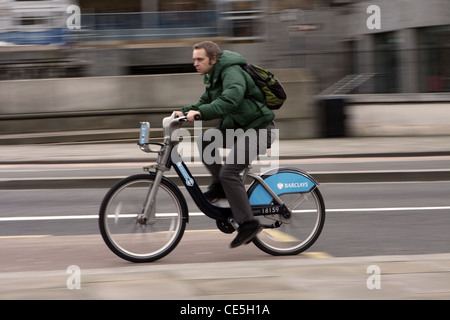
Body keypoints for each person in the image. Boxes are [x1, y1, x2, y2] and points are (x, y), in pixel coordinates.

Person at [174, 41, 275, 248]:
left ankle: (248, 223)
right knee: (206, 139)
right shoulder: (213, 77)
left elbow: (231, 100)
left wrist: (201, 114)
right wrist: (184, 112)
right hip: (240, 128)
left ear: (213, 59)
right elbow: (204, 101)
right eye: (194, 59)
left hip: (259, 129)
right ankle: (220, 187)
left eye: (200, 59)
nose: (195, 63)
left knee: (229, 171)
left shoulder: (231, 72)